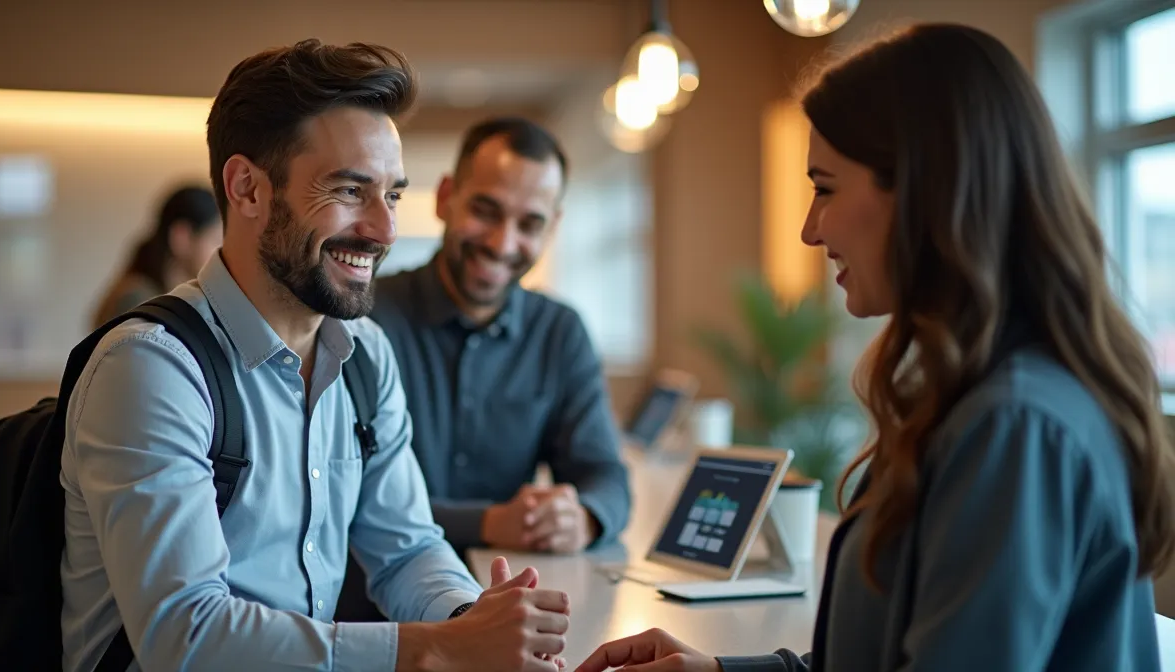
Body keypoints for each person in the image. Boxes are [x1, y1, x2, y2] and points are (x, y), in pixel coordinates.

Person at [575, 22, 1175, 672]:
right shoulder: (975, 397)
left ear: (925, 190)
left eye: (825, 187)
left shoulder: (1013, 424)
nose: (810, 230)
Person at [60, 39, 571, 672]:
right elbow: (185, 637)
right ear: (248, 189)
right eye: (351, 191)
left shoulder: (365, 357)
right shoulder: (151, 368)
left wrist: (475, 622)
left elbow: (407, 550)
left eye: (392, 196)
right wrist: (440, 646)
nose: (384, 230)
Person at [371, 117, 630, 554]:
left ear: (552, 228)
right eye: (485, 211)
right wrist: (488, 524)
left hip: (509, 581)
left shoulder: (560, 332)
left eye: (530, 224)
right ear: (445, 198)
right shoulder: (367, 317)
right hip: (377, 587)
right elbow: (349, 496)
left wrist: (582, 517)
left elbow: (605, 474)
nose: (502, 243)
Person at [90, 185, 223, 328]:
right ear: (181, 237)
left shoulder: (158, 296)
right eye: (216, 240)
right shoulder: (137, 300)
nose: (221, 252)